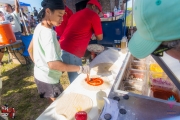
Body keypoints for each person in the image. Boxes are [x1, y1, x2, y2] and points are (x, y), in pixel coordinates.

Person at [28, 0, 89, 103]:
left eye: (63, 15)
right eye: (59, 15)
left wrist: (39, 65)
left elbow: (30, 49)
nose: (62, 19)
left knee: (53, 105)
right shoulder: (49, 34)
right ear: (48, 11)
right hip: (49, 80)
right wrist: (80, 68)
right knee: (60, 106)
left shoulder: (39, 26)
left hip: (39, 75)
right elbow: (53, 64)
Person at [59, 0, 103, 83]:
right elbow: (100, 37)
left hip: (61, 47)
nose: (98, 14)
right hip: (72, 51)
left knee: (59, 75)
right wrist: (94, 32)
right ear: (93, 7)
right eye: (98, 12)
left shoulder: (75, 14)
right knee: (76, 81)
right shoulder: (93, 15)